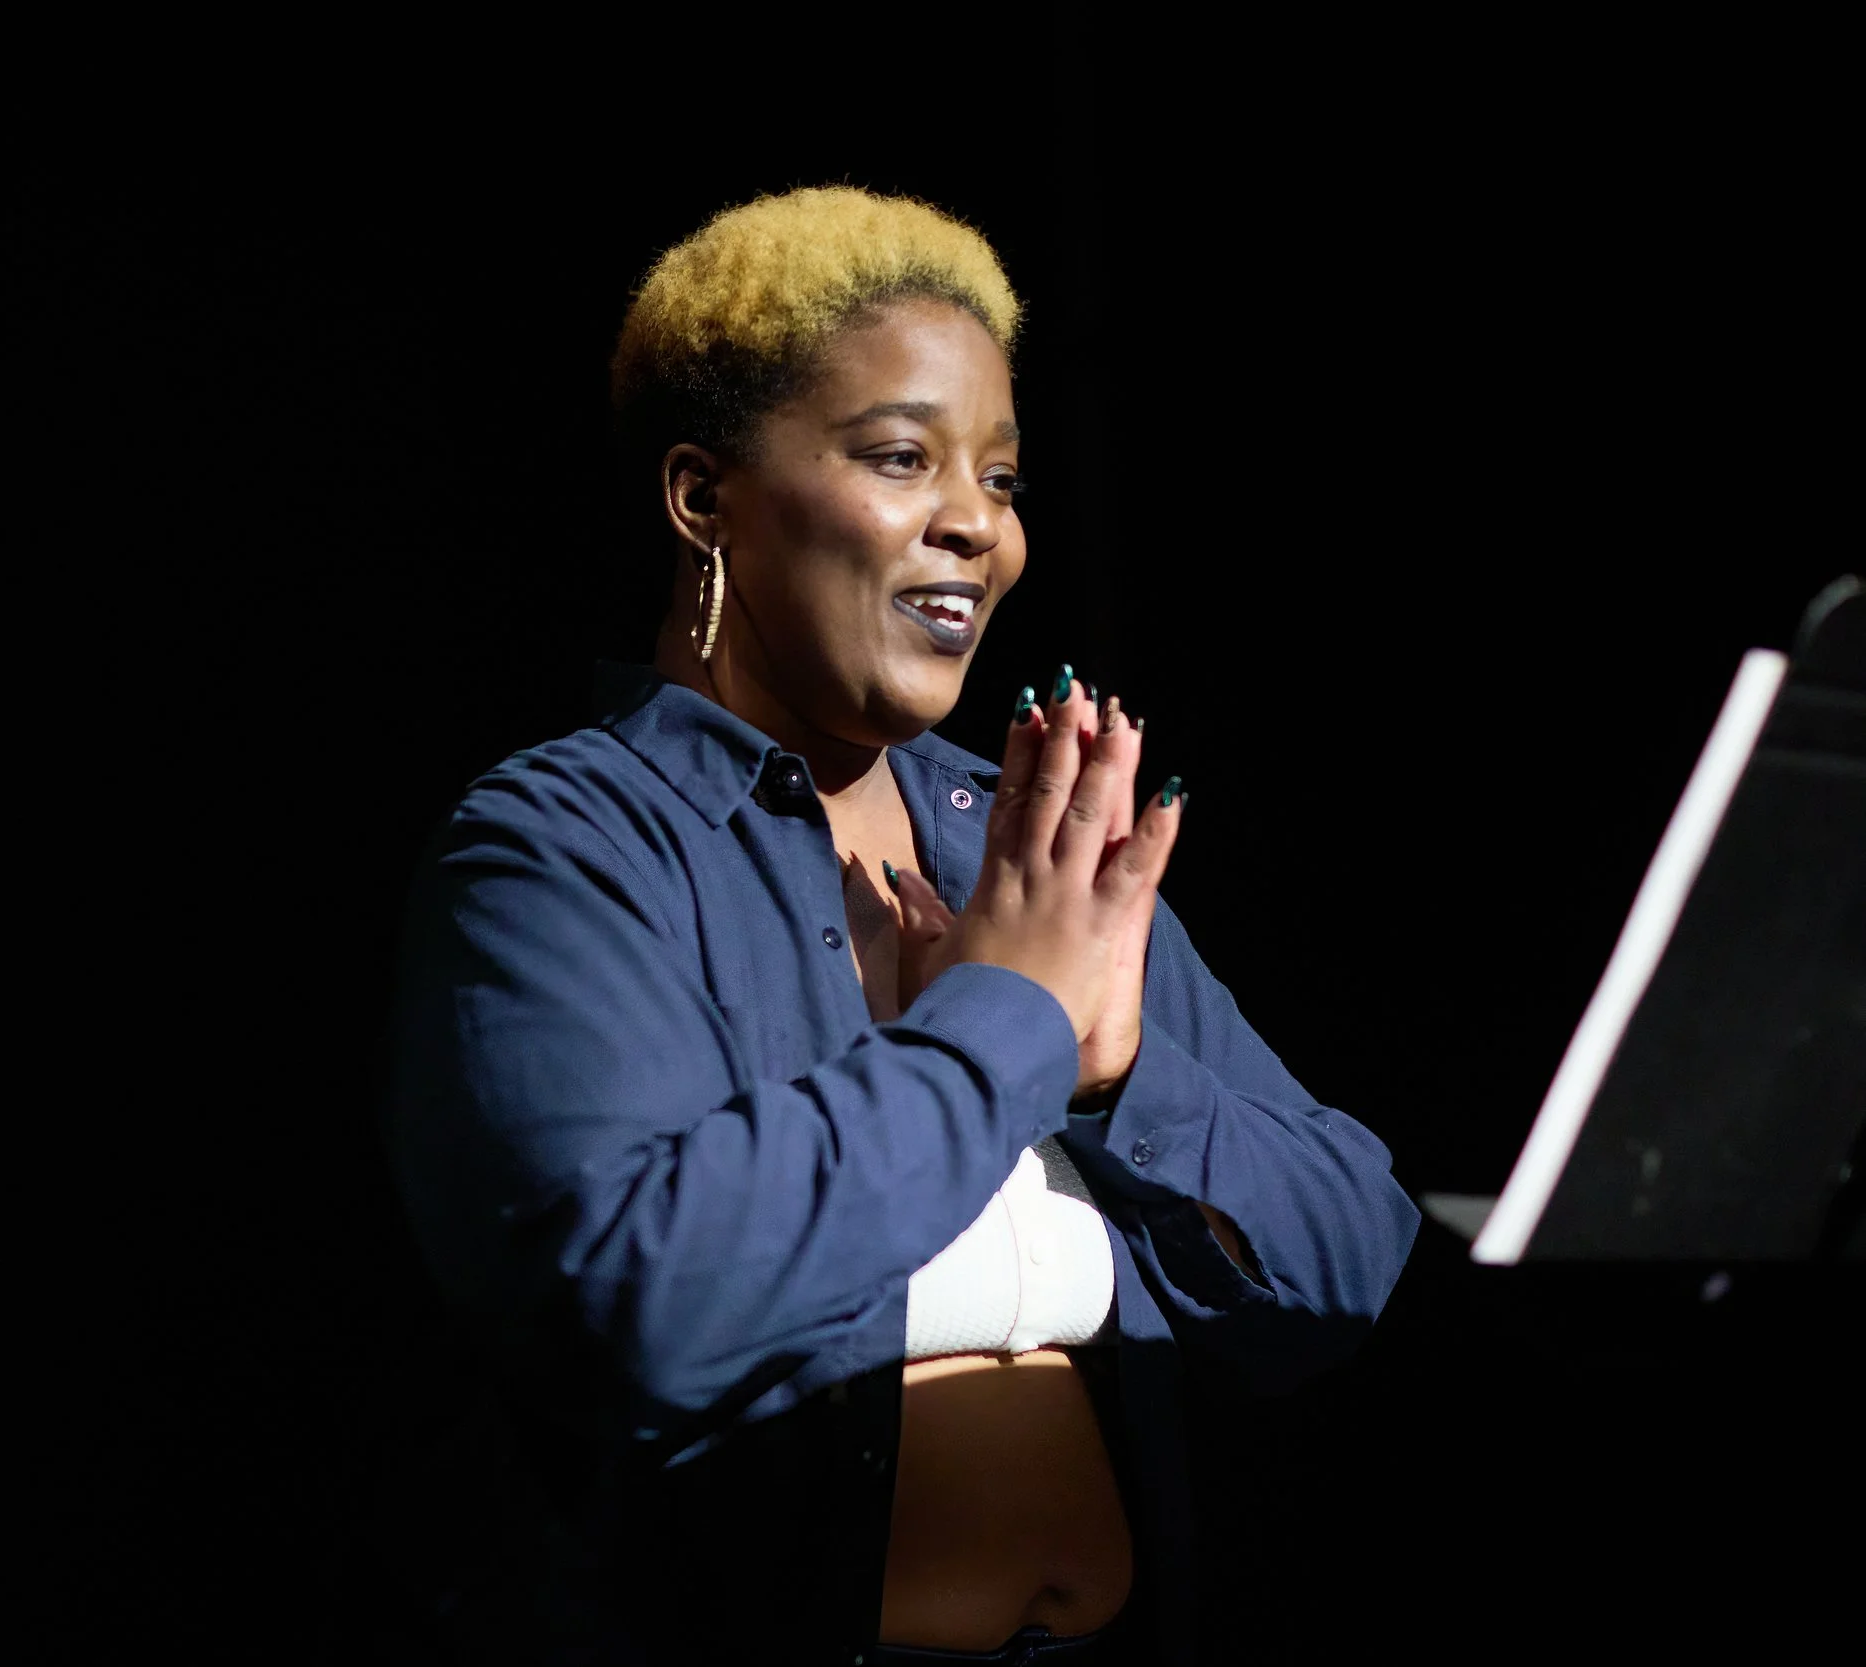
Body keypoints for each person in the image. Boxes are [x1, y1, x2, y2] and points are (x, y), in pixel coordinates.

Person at [386, 187, 1419, 1665]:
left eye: (999, 478)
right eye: (900, 457)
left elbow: (1352, 1254)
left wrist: (1117, 1063)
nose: (975, 525)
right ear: (704, 498)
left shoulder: (1032, 842)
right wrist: (1006, 1023)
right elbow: (644, 1296)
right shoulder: (563, 846)